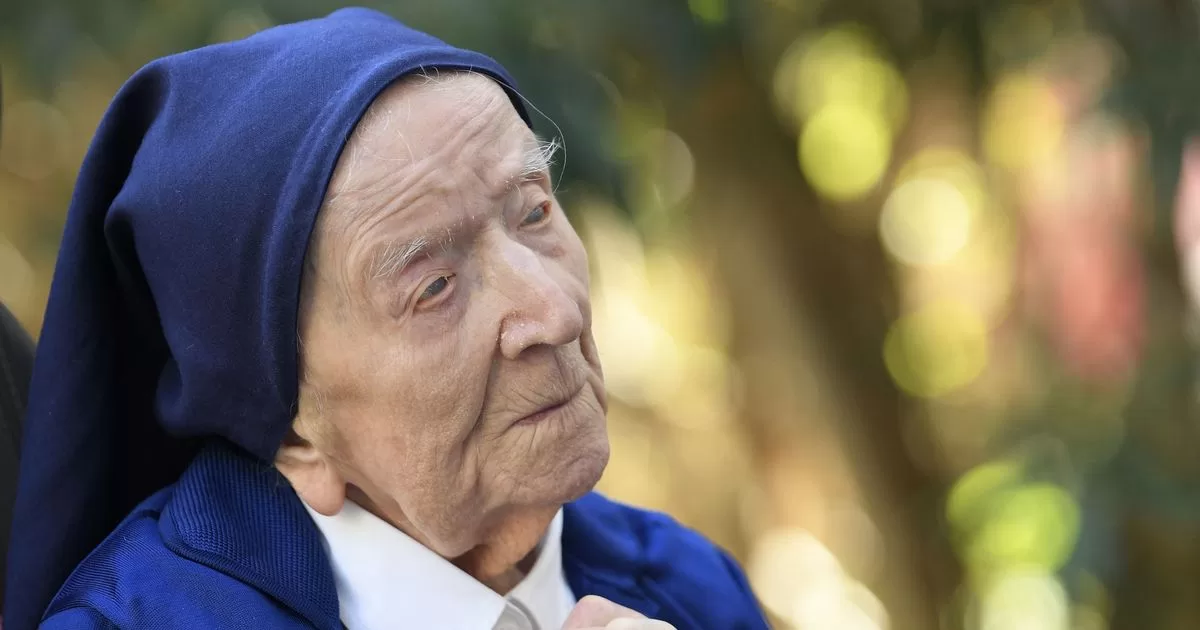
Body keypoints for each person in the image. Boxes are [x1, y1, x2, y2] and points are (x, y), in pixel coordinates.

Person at [2, 8, 768, 630]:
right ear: (294, 432)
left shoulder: (684, 583)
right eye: (435, 286)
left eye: (534, 212)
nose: (555, 311)